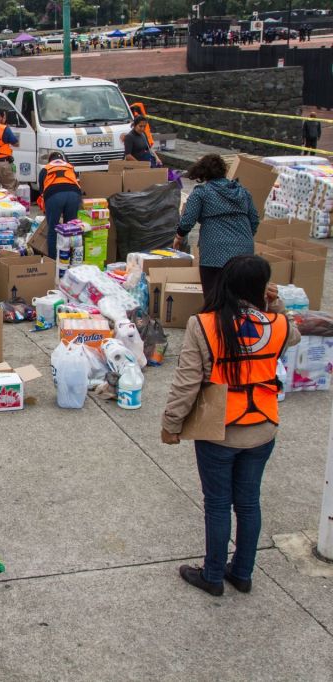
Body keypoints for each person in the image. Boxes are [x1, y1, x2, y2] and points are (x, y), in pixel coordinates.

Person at [162, 255, 300, 597]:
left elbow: (186, 383)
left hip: (219, 431)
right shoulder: (276, 324)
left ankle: (211, 575)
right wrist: (275, 303)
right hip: (262, 428)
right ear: (260, 288)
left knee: (218, 504)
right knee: (249, 503)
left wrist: (171, 424)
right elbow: (294, 335)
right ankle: (242, 573)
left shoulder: (204, 324)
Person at [173, 154, 258, 299]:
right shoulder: (243, 192)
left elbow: (188, 220)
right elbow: (254, 220)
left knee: (215, 299)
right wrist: (243, 238)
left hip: (215, 255)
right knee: (241, 300)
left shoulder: (202, 193)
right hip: (245, 255)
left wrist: (179, 236)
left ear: (203, 172)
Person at [38, 151, 82, 258]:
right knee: (71, 229)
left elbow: (42, 191)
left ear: (50, 160)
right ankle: (72, 259)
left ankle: (53, 261)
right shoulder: (70, 167)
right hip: (73, 194)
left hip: (54, 196)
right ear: (63, 160)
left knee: (53, 229)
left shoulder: (46, 169)